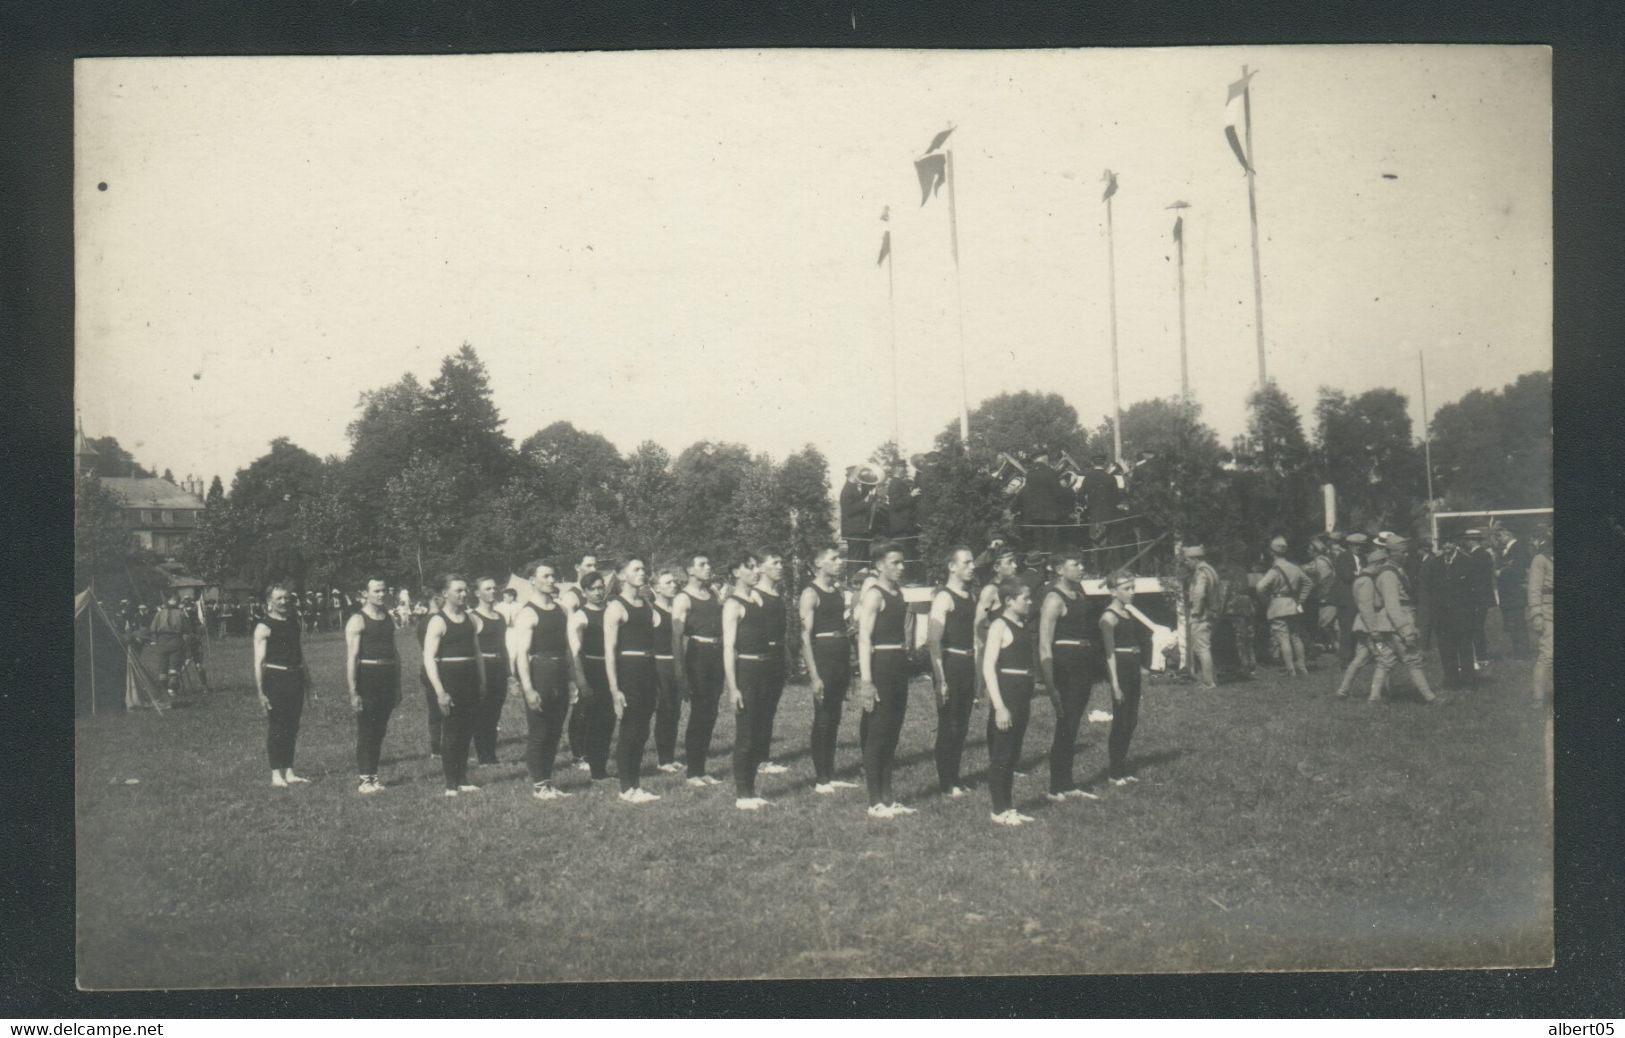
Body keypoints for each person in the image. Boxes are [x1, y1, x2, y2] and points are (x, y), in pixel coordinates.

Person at [854, 542, 916, 819]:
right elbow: (864, 637)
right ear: (880, 565)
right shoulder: (874, 595)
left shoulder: (898, 594)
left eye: (902, 563)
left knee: (892, 731)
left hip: (898, 665)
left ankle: (889, 797)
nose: (901, 568)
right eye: (895, 563)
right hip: (880, 665)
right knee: (878, 732)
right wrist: (867, 681)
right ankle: (874, 800)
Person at [1039, 549, 1105, 802]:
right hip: (1065, 667)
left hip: (1082, 665)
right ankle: (1057, 786)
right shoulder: (1054, 599)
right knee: (1065, 725)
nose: (1081, 568)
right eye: (1075, 564)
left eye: (1081, 564)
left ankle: (1066, 783)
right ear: (1058, 570)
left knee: (1073, 723)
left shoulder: (1078, 594)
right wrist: (1050, 683)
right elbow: (1045, 643)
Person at [510, 559, 576, 800]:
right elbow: (521, 655)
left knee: (555, 731)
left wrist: (572, 679)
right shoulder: (527, 613)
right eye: (546, 576)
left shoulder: (561, 610)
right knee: (540, 731)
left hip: (559, 672)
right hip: (540, 672)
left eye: (553, 576)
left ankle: (548, 781)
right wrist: (528, 688)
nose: (551, 580)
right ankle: (539, 785)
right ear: (532, 581)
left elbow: (567, 647)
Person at [1359, 535, 1447, 706]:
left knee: (1386, 661)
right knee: (1413, 659)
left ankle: (1374, 697)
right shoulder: (1389, 574)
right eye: (1403, 552)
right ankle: (1431, 698)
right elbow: (1392, 605)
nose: (1407, 555)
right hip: (1396, 623)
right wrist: (1405, 629)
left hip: (1390, 623)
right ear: (1392, 553)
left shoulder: (1393, 570)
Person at [799, 545, 859, 794]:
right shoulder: (810, 593)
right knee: (823, 717)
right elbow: (805, 637)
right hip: (823, 656)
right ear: (819, 563)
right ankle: (821, 778)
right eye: (834, 559)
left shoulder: (836, 591)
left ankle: (830, 774)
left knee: (834, 717)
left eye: (840, 558)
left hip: (840, 657)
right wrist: (814, 675)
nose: (840, 562)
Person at [604, 557, 663, 804]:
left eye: (643, 569)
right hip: (629, 671)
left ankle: (636, 784)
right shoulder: (616, 607)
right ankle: (626, 787)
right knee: (630, 730)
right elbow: (610, 650)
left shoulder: (646, 602)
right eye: (636, 569)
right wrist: (615, 689)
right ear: (621, 575)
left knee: (642, 730)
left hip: (649, 670)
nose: (643, 573)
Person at [421, 574, 487, 797]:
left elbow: (477, 652)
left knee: (467, 730)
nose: (463, 594)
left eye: (465, 590)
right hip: (450, 681)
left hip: (470, 680)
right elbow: (429, 658)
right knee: (451, 732)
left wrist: (482, 680)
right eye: (458, 590)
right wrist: (440, 691)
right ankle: (451, 784)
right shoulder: (438, 621)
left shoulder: (470, 619)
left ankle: (463, 778)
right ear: (445, 594)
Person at [982, 578, 1037, 827]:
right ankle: (998, 809)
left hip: (1022, 694)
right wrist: (999, 706)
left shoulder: (1022, 624)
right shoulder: (998, 626)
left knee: (1013, 753)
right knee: (1002, 754)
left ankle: (1009, 806)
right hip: (1007, 694)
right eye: (1025, 598)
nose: (1030, 602)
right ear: (1009, 601)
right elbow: (988, 667)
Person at [927, 545, 980, 798]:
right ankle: (946, 782)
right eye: (967, 562)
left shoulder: (970, 597)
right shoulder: (944, 598)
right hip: (950, 664)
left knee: (963, 725)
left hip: (968, 664)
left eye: (972, 562)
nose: (972, 567)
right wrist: (940, 679)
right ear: (952, 567)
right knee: (949, 724)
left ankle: (955, 777)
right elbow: (933, 640)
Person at [669, 552, 725, 787]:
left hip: (716, 656)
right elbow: (676, 637)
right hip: (697, 656)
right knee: (699, 713)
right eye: (702, 564)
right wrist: (680, 673)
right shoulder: (683, 598)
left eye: (709, 562)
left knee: (710, 712)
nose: (708, 567)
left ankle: (701, 769)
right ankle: (693, 772)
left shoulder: (712, 594)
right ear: (690, 571)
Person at [721, 552, 770, 810]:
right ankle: (742, 794)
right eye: (749, 567)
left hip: (763, 669)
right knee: (746, 733)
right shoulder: (733, 604)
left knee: (760, 732)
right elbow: (728, 647)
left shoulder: (757, 599)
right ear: (736, 572)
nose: (756, 571)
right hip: (746, 671)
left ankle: (752, 790)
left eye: (756, 567)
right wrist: (733, 687)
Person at [253, 584, 314, 788]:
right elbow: (259, 662)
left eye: (287, 598)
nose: (284, 602)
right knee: (277, 727)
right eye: (279, 599)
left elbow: (300, 654)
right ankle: (275, 774)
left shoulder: (293, 623)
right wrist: (261, 692)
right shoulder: (264, 627)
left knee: (292, 726)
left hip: (295, 678)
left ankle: (289, 771)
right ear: (269, 602)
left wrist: (309, 683)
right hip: (275, 679)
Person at [345, 577, 400, 794]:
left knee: (379, 730)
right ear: (365, 594)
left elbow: (396, 654)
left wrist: (398, 685)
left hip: (387, 676)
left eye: (383, 590)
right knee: (367, 729)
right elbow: (352, 658)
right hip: (367, 677)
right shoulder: (357, 620)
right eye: (376, 591)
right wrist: (353, 691)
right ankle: (364, 779)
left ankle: (373, 776)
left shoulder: (388, 618)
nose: (381, 594)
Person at [1099, 572, 1151, 786]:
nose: (1132, 592)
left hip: (1132, 668)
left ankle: (1121, 766)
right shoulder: (1108, 618)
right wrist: (1115, 684)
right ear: (1113, 591)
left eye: (1133, 587)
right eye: (1127, 588)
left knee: (1131, 719)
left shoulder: (1128, 614)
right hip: (1120, 668)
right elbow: (1109, 652)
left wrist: (1141, 668)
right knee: (1121, 721)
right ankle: (1114, 772)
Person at [566, 571, 616, 782]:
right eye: (593, 589)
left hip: (613, 668)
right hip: (593, 669)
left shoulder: (612, 611)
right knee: (595, 720)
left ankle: (601, 765)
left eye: (601, 587)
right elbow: (575, 651)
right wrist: (581, 680)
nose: (598, 592)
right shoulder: (580, 616)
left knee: (609, 720)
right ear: (584, 592)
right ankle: (596, 769)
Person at [1255, 536, 1312, 678]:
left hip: (1277, 605)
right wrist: (1300, 600)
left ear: (1272, 553)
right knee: (1295, 636)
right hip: (1293, 604)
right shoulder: (1295, 568)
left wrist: (1265, 600)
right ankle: (1302, 667)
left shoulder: (1275, 570)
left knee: (1283, 638)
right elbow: (1308, 583)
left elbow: (1260, 586)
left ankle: (1290, 669)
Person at [469, 577, 509, 768]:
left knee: (495, 712)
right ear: (477, 593)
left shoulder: (500, 616)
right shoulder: (473, 617)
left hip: (499, 668)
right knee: (482, 712)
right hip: (483, 668)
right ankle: (483, 756)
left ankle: (491, 754)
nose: (493, 591)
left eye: (495, 588)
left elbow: (504, 645)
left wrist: (509, 673)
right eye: (487, 588)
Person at [650, 567, 685, 774]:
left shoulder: (677, 611)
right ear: (656, 588)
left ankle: (669, 756)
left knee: (675, 712)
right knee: (665, 710)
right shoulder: (653, 611)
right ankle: (663, 760)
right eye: (668, 583)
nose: (673, 586)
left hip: (677, 664)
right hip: (660, 665)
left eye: (674, 582)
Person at [1436, 539, 1478, 691]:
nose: (1446, 546)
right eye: (1444, 544)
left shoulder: (1467, 562)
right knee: (1446, 648)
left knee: (1464, 647)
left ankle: (1468, 682)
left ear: (1455, 545)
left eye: (1450, 543)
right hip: (1443, 614)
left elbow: (1474, 588)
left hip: (1462, 613)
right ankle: (1451, 681)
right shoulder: (1436, 562)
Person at [1183, 544, 1221, 690]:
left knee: (1202, 648)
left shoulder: (1201, 572)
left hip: (1202, 614)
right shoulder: (1210, 570)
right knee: (1206, 646)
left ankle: (1208, 682)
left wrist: (1195, 612)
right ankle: (1211, 678)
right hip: (1210, 612)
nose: (1186, 563)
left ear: (1195, 559)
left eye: (1187, 560)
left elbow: (1199, 593)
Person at [1495, 527, 1534, 660]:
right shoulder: (1506, 550)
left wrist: (1502, 572)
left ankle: (1522, 651)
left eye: (1499, 536)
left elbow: (1518, 570)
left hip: (1515, 591)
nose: (1498, 539)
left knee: (1518, 621)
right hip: (1508, 592)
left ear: (1508, 534)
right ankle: (1517, 649)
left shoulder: (1518, 548)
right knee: (1512, 621)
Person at [414, 590, 445, 758]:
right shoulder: (434, 620)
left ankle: (438, 747)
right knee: (437, 709)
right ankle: (437, 747)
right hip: (436, 665)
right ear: (435, 599)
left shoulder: (424, 621)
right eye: (441, 597)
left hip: (430, 666)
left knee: (435, 709)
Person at [1218, 557, 1258, 679]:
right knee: (1248, 635)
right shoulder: (1242, 571)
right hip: (1247, 603)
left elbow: (1226, 591)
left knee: (1239, 636)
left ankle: (1244, 664)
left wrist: (1222, 608)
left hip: (1235, 604)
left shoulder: (1228, 573)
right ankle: (1252, 662)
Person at [1463, 529, 1496, 672]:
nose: (1466, 542)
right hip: (1482, 596)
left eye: (1467, 540)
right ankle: (1480, 655)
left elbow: (1476, 577)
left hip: (1478, 596)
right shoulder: (1483, 554)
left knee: (1476, 626)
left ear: (1472, 541)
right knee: (1477, 626)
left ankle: (1480, 656)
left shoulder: (1477, 555)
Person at [1527, 527, 1553, 708]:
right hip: (1549, 612)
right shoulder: (1541, 558)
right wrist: (1536, 613)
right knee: (1547, 654)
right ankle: (1538, 697)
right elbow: (1534, 588)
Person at [839, 466, 878, 579]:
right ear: (853, 475)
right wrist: (865, 501)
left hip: (858, 529)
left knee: (859, 557)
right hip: (854, 530)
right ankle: (852, 580)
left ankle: (857, 579)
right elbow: (849, 511)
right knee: (856, 557)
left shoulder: (853, 488)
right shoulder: (847, 489)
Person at [149, 591, 190, 697]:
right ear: (177, 602)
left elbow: (153, 628)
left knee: (163, 666)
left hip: (162, 641)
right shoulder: (181, 613)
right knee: (174, 665)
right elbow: (187, 629)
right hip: (176, 640)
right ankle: (171, 689)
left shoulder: (160, 613)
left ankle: (163, 689)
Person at [1306, 534, 1338, 654]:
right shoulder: (1319, 561)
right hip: (1326, 596)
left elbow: (1322, 580)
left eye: (1310, 549)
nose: (1308, 551)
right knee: (1328, 624)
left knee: (1324, 624)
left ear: (1315, 550)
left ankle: (1336, 645)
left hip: (1327, 596)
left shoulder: (1320, 562)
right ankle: (1334, 645)